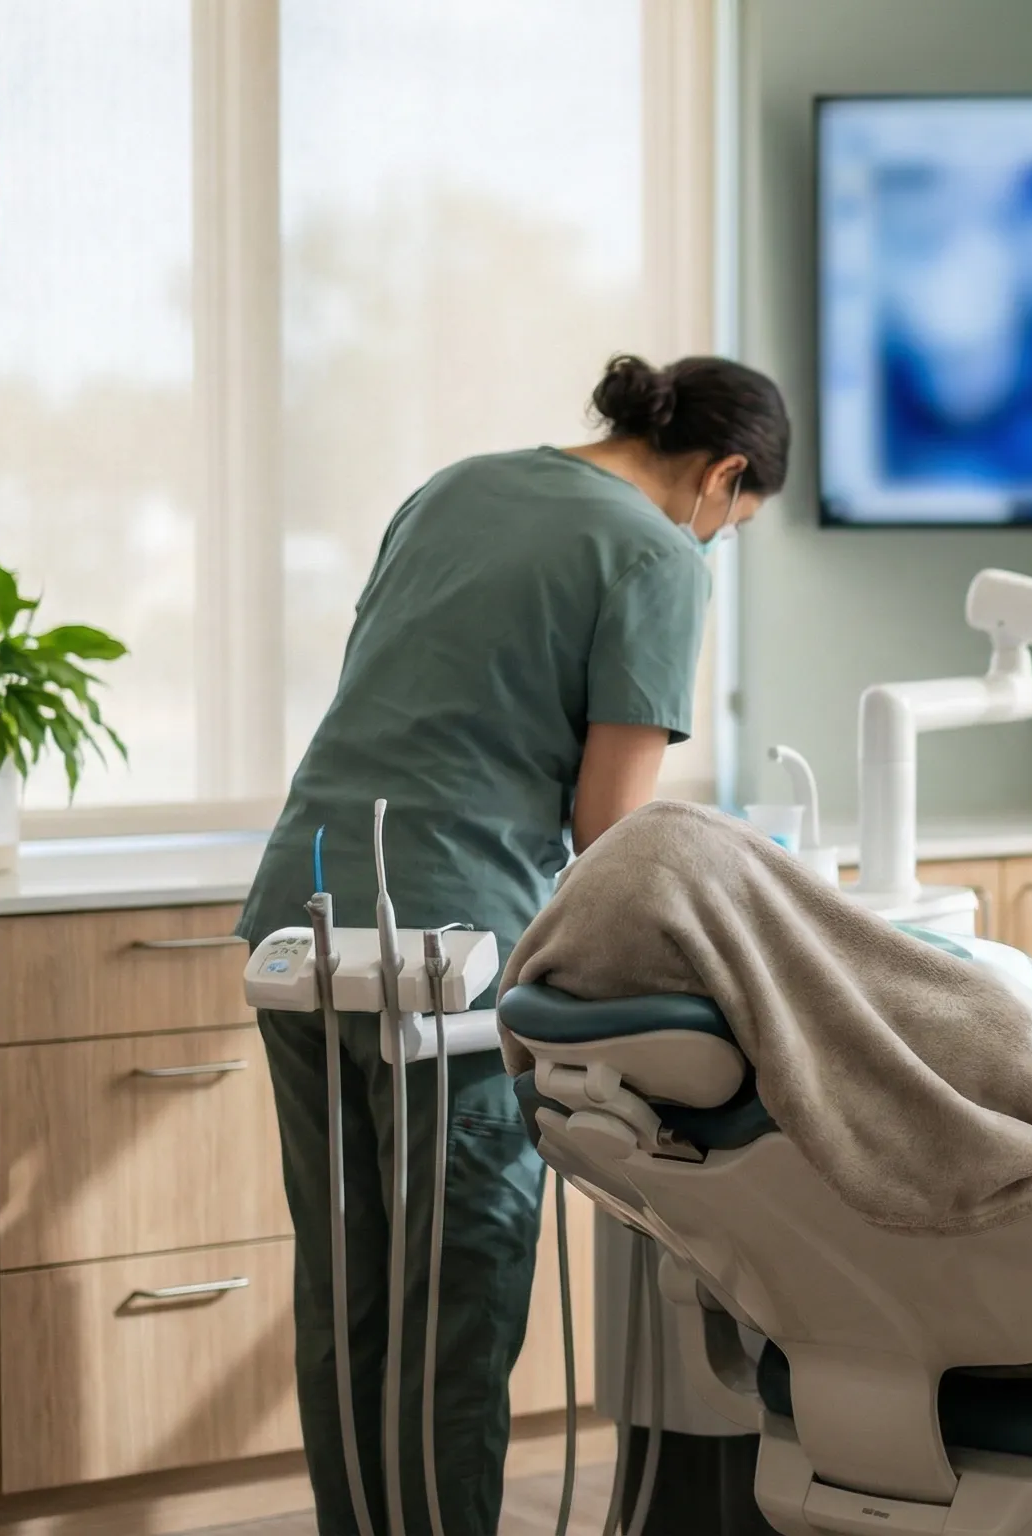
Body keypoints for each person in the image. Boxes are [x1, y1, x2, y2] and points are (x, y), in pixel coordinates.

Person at [240, 354, 788, 1535]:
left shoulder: (455, 487)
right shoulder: (656, 555)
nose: (716, 540)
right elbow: (610, 830)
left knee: (347, 1282)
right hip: (452, 950)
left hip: (303, 915)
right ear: (723, 475)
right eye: (734, 523)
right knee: (458, 1289)